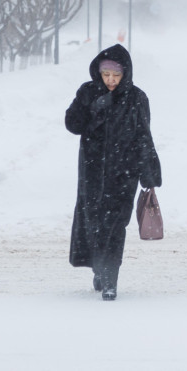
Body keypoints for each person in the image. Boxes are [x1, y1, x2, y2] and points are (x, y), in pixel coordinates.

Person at [64, 43, 162, 301]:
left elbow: (143, 135)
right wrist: (91, 107)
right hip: (92, 172)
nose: (110, 80)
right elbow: (72, 125)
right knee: (94, 224)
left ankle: (110, 279)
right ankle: (98, 268)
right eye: (106, 75)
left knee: (116, 226)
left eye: (115, 76)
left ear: (125, 74)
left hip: (123, 174)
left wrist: (148, 173)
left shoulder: (136, 98)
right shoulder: (88, 92)